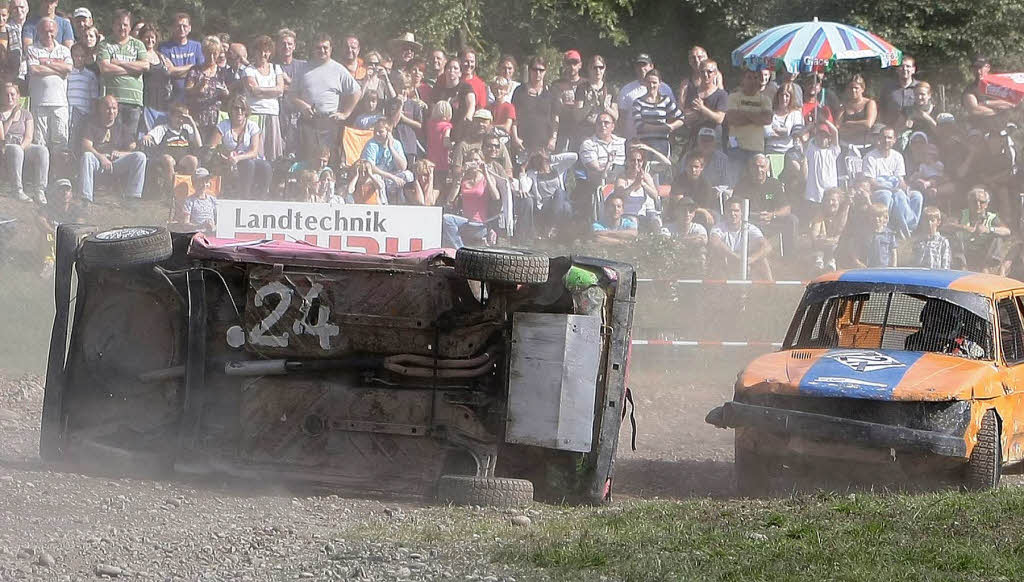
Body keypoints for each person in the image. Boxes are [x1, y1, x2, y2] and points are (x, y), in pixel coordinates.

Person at [292, 33, 361, 155]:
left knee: (331, 161)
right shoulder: (303, 69)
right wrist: (303, 106)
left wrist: (346, 113)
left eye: (325, 47)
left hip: (330, 122)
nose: (322, 50)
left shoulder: (338, 69)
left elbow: (356, 91)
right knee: (308, 160)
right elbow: (291, 95)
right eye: (318, 48)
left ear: (331, 49)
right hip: (308, 122)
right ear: (313, 49)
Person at [79, 95, 147, 203]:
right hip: (98, 163)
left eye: (114, 108)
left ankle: (132, 197)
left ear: (117, 110)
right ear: (101, 109)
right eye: (108, 108)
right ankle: (86, 199)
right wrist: (101, 157)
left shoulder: (121, 127)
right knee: (87, 156)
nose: (111, 111)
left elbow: (133, 147)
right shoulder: (92, 125)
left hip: (116, 164)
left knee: (140, 157)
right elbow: (86, 145)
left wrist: (122, 153)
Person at [96, 9, 147, 146]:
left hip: (134, 102)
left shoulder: (138, 45)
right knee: (113, 141)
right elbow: (105, 68)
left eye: (125, 25)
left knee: (130, 143)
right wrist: (132, 70)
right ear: (113, 26)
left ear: (130, 27)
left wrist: (119, 63)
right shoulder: (105, 44)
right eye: (118, 24)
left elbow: (145, 66)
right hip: (113, 103)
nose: (122, 27)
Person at [862, 125, 923, 237]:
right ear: (879, 139)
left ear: (894, 140)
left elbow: (900, 179)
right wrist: (890, 188)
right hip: (879, 188)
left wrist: (905, 189)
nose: (886, 140)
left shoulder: (898, 156)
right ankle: (886, 226)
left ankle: (910, 227)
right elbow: (870, 181)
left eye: (889, 138)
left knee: (916, 196)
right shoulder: (870, 157)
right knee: (888, 195)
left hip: (895, 187)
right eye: (884, 137)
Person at [208, 94, 271, 198]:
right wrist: (224, 156)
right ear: (231, 110)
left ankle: (261, 198)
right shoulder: (223, 126)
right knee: (249, 165)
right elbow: (212, 147)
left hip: (246, 158)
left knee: (266, 166)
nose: (239, 111)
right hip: (227, 160)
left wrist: (238, 158)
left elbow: (254, 151)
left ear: (246, 111)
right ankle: (243, 198)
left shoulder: (252, 126)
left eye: (243, 108)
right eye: (236, 108)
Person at [734, 153, 797, 257]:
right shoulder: (741, 185)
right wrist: (754, 216)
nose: (759, 170)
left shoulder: (775, 184)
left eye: (762, 167)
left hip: (771, 221)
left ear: (767, 168)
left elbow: (787, 208)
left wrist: (772, 215)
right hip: (750, 222)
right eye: (755, 166)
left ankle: (789, 258)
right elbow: (734, 209)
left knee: (792, 219)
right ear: (750, 168)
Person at [24, 16, 70, 148]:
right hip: (39, 103)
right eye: (45, 31)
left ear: (56, 32)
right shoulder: (32, 49)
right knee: (40, 143)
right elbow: (34, 69)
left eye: (51, 31)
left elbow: (68, 68)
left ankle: (59, 169)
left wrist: (46, 62)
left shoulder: (64, 50)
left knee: (61, 143)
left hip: (60, 104)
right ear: (38, 32)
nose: (48, 34)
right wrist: (58, 69)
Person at [441, 149, 499, 248]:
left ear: (482, 161)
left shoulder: (486, 179)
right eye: (471, 160)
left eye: (476, 160)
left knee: (448, 219)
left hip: (481, 224)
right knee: (446, 219)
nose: (474, 163)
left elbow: (496, 196)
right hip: (466, 222)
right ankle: (460, 248)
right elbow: (450, 200)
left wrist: (485, 172)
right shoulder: (464, 179)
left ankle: (461, 250)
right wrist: (460, 176)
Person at [141, 103, 201, 193]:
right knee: (168, 159)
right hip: (166, 158)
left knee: (193, 160)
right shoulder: (163, 128)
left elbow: (199, 145)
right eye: (178, 117)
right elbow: (150, 136)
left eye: (183, 118)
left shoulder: (187, 129)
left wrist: (192, 123)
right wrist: (146, 137)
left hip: (182, 159)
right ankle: (172, 191)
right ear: (171, 116)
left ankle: (187, 189)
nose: (180, 120)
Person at [947, 187, 1010, 272]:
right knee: (954, 236)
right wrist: (964, 227)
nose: (978, 205)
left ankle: (986, 267)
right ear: (969, 203)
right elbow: (947, 225)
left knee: (997, 238)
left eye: (982, 202)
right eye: (974, 201)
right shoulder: (962, 214)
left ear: (987, 204)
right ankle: (962, 265)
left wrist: (988, 229)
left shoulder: (992, 217)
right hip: (964, 249)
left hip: (984, 251)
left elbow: (1007, 231)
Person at [0, 81, 45, 201]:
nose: (10, 97)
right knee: (15, 149)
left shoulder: (26, 114)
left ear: (18, 96)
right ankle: (18, 190)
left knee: (42, 150)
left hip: (23, 145)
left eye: (12, 94)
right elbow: (2, 136)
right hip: (6, 146)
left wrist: (22, 148)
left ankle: (40, 190)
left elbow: (29, 137)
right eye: (6, 95)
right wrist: (11, 116)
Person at [244, 35, 285, 162]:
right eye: (260, 50)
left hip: (272, 114)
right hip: (255, 114)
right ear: (255, 52)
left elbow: (280, 90)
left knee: (273, 152)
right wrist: (272, 91)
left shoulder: (276, 68)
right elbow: (253, 91)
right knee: (256, 151)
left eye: (266, 51)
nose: (263, 54)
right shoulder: (248, 70)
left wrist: (261, 90)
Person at [709, 199, 772, 279]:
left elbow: (767, 246)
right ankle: (713, 289)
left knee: (763, 260)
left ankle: (770, 287)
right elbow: (715, 242)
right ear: (725, 213)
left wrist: (750, 259)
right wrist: (736, 257)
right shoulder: (719, 227)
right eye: (730, 211)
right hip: (727, 261)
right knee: (716, 257)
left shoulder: (750, 228)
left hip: (748, 263)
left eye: (736, 211)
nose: (733, 214)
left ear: (742, 213)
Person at [616, 53, 673, 139]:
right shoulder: (626, 90)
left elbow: (672, 116)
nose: (641, 68)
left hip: (660, 140)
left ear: (651, 66)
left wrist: (671, 134)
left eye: (644, 65)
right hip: (634, 141)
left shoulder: (665, 88)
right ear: (635, 68)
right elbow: (622, 118)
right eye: (638, 65)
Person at [726, 68, 772, 172]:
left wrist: (743, 113)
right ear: (742, 80)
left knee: (755, 184)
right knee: (735, 184)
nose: (753, 81)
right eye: (749, 78)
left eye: (755, 78)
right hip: (736, 148)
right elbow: (732, 119)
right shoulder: (733, 97)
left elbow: (767, 119)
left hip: (757, 149)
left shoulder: (765, 99)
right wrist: (757, 116)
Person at [632, 68, 683, 157]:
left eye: (654, 82)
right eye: (649, 82)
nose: (651, 85)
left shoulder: (665, 100)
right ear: (644, 83)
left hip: (662, 145)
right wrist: (663, 128)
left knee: (662, 169)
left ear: (660, 83)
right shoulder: (638, 102)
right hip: (644, 144)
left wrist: (672, 126)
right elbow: (639, 126)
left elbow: (681, 117)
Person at [511, 55, 557, 154]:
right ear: (529, 70)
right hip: (523, 143)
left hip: (544, 144)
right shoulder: (520, 91)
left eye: (541, 70)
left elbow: (555, 118)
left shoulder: (550, 92)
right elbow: (514, 117)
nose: (538, 73)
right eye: (535, 70)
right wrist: (515, 138)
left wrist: (553, 138)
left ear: (545, 71)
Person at [184, 36, 228, 135]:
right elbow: (187, 91)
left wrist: (226, 93)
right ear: (203, 52)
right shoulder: (195, 71)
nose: (212, 57)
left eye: (215, 54)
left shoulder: (222, 72)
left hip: (216, 119)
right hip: (197, 117)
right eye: (208, 54)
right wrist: (199, 87)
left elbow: (229, 95)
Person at [360, 117, 411, 203]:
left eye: (380, 132)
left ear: (389, 133)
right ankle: (384, 205)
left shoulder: (396, 144)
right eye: (375, 131)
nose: (377, 134)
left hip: (392, 177)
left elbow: (403, 167)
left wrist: (391, 148)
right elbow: (371, 168)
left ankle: (402, 202)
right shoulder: (371, 144)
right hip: (378, 176)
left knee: (408, 175)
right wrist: (391, 177)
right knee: (378, 179)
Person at [157, 12, 203, 105]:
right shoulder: (164, 48)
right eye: (178, 26)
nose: (181, 29)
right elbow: (169, 71)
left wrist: (177, 71)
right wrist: (192, 67)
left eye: (184, 26)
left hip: (193, 96)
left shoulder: (197, 46)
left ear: (189, 28)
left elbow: (201, 69)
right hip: (173, 97)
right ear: (172, 28)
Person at [275, 28, 306, 159]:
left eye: (289, 44)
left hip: (298, 114)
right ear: (277, 46)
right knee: (279, 150)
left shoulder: (303, 65)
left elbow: (305, 88)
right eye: (283, 44)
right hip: (278, 113)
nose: (286, 47)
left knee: (298, 150)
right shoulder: (272, 66)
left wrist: (287, 81)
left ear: (294, 46)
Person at [681, 58, 727, 145]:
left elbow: (719, 119)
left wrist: (702, 109)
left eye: (709, 72)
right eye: (702, 72)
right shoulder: (692, 92)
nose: (706, 75)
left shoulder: (722, 94)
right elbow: (687, 118)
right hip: (695, 138)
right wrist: (706, 115)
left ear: (715, 73)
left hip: (714, 139)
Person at [962, 55, 1014, 132]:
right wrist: (998, 111)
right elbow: (974, 110)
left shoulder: (1000, 86)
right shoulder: (969, 90)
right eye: (975, 68)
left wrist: (985, 103)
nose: (978, 71)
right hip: (981, 131)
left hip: (1003, 129)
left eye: (980, 67)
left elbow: (1010, 103)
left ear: (988, 67)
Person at [137, 24, 172, 134]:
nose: (150, 40)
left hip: (162, 103)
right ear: (141, 38)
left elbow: (172, 70)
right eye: (146, 37)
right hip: (146, 103)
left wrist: (192, 67)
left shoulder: (161, 56)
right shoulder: (138, 56)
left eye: (152, 37)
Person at [432, 57, 475, 141]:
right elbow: (433, 110)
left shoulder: (466, 87)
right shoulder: (439, 90)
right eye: (449, 68)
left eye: (455, 68)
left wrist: (469, 116)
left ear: (460, 73)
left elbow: (471, 104)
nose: (452, 71)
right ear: (445, 71)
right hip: (442, 133)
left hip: (461, 131)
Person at [803, 121, 840, 215]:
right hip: (814, 193)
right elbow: (801, 136)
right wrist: (811, 126)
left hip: (830, 194)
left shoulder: (833, 151)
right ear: (816, 136)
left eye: (825, 136)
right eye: (820, 135)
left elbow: (835, 131)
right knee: (815, 221)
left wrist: (825, 120)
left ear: (829, 138)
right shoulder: (811, 149)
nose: (823, 138)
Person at [573, 55, 615, 139]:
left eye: (601, 67)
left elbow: (616, 116)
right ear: (589, 69)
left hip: (605, 132)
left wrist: (605, 106)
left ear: (605, 68)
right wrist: (589, 105)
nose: (598, 70)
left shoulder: (610, 89)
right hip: (586, 132)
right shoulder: (582, 88)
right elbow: (577, 117)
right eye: (594, 68)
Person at [807, 186, 847, 272]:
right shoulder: (819, 214)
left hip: (838, 246)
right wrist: (822, 240)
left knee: (834, 247)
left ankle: (831, 265)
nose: (830, 203)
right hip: (822, 245)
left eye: (833, 200)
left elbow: (841, 232)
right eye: (827, 200)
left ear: (839, 202)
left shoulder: (843, 214)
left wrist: (833, 240)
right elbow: (814, 234)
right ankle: (818, 266)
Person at [837, 75, 877, 155]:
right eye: (851, 88)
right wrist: (859, 127)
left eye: (856, 88)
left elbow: (868, 124)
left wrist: (848, 124)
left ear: (862, 89)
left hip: (866, 146)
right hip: (846, 146)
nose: (853, 90)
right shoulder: (844, 106)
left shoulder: (869, 103)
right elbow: (838, 127)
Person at [552, 49, 583, 151]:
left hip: (582, 131)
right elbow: (556, 108)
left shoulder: (586, 84)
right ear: (564, 65)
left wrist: (567, 105)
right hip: (562, 130)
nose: (572, 66)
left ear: (580, 65)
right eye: (569, 63)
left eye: (575, 63)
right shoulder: (556, 85)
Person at [66, 42, 96, 144]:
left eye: (82, 56)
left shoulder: (90, 75)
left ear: (86, 57)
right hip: (68, 113)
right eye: (76, 56)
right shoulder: (67, 74)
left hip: (84, 114)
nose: (79, 59)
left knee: (80, 142)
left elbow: (94, 98)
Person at [764, 82, 803, 154]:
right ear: (778, 96)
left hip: (789, 152)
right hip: (771, 150)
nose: (783, 98)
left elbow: (796, 133)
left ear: (791, 98)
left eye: (787, 96)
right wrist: (785, 133)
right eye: (781, 95)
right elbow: (766, 132)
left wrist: (778, 131)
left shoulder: (796, 114)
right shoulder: (770, 113)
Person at [856, 202, 898, 267]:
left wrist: (894, 266)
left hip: (885, 266)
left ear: (885, 218)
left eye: (879, 216)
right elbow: (856, 249)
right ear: (868, 217)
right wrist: (858, 262)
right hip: (868, 266)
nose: (876, 219)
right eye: (873, 216)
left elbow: (893, 251)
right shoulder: (864, 233)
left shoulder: (889, 234)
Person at [879, 56, 918, 126]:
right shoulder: (888, 88)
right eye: (901, 66)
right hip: (891, 129)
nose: (905, 69)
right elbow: (881, 109)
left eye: (908, 66)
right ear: (897, 69)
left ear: (913, 70)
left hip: (915, 129)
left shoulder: (920, 88)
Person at [425, 99, 452, 186]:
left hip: (430, 157)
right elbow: (445, 142)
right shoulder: (446, 126)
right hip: (442, 160)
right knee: (441, 184)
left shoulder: (430, 124)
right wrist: (452, 145)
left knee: (432, 182)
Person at [182, 167, 216, 233]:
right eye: (200, 182)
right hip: (197, 234)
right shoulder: (189, 201)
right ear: (194, 184)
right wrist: (200, 226)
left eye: (206, 182)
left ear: (209, 184)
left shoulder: (213, 200)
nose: (203, 185)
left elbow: (221, 219)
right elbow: (185, 225)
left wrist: (214, 226)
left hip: (213, 233)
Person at [459, 47, 487, 112]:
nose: (469, 65)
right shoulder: (453, 79)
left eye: (472, 62)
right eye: (466, 61)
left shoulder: (480, 84)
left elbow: (481, 108)